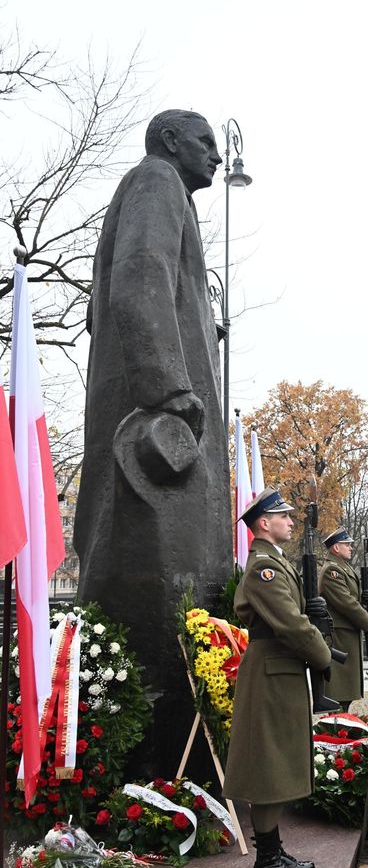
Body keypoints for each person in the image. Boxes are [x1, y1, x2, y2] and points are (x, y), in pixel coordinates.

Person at [74, 110, 233, 775]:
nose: (219, 158)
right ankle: (161, 769)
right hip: (158, 427)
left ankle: (166, 761)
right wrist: (171, 385)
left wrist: (203, 331)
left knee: (168, 569)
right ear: (172, 142)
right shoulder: (155, 181)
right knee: (165, 571)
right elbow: (138, 281)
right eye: (208, 144)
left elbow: (107, 301)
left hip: (154, 413)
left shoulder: (158, 192)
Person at [223, 487, 332, 868]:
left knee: (280, 764)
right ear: (264, 523)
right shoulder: (262, 568)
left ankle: (274, 851)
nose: (290, 521)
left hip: (279, 672)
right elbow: (289, 622)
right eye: (283, 516)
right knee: (269, 767)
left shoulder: (274, 562)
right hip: (271, 673)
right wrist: (323, 656)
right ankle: (266, 865)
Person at [319, 528, 368, 712]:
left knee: (346, 695)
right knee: (339, 694)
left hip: (347, 637)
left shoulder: (342, 566)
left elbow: (353, 598)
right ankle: (335, 733)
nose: (351, 547)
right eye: (346, 544)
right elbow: (347, 603)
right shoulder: (332, 570)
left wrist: (366, 597)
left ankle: (341, 731)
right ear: (336, 547)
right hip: (339, 638)